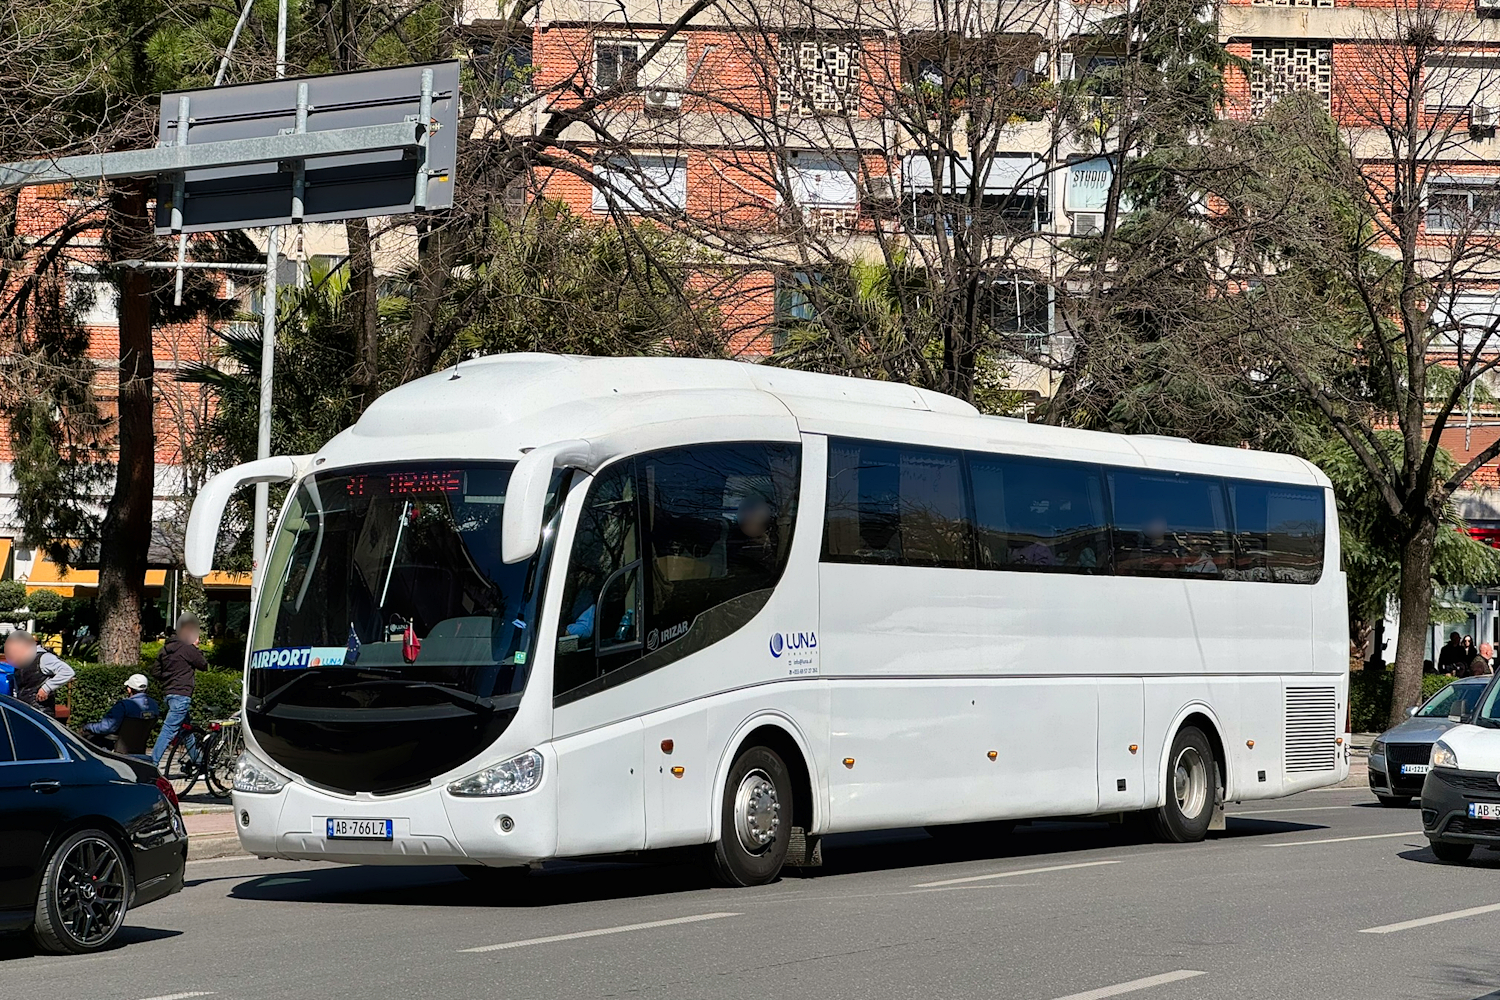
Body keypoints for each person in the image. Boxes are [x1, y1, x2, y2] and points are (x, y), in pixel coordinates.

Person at [150, 613, 209, 766]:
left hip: (168, 694)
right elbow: (203, 665)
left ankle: (197, 761)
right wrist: (196, 648)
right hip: (182, 694)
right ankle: (152, 764)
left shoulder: (165, 649)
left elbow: (155, 672)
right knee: (168, 731)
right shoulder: (187, 648)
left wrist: (168, 677)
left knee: (186, 729)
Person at [83, 674, 159, 754]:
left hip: (119, 748)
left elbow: (107, 727)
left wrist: (88, 726)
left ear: (129, 690)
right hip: (139, 749)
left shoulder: (123, 705)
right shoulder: (154, 705)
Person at [5, 630, 76, 713]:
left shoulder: (44, 658)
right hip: (24, 708)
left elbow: (67, 672)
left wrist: (46, 688)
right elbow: (18, 687)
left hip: (40, 710)